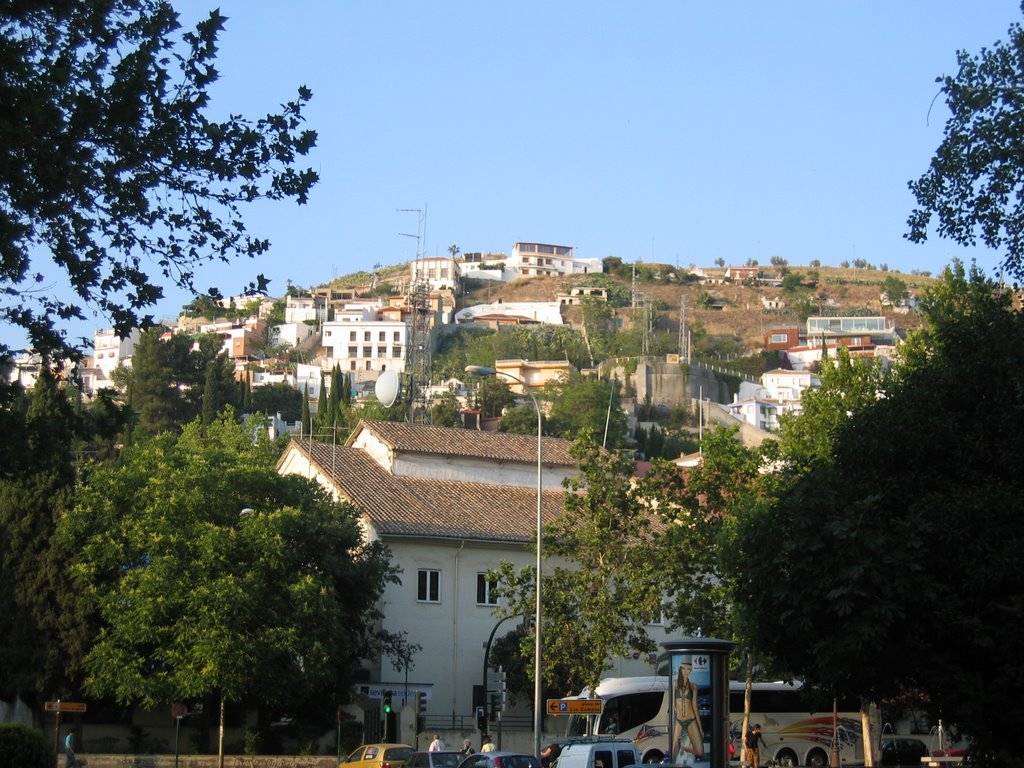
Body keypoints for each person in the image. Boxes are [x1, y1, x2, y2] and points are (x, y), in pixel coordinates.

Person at [673, 659, 704, 762]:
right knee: (672, 750)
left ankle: (684, 748)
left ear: (691, 671)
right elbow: (672, 704)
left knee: (700, 753)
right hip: (678, 720)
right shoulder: (675, 684)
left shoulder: (693, 686)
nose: (686, 671)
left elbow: (695, 707)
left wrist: (700, 728)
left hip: (691, 719)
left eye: (689, 669)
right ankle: (680, 749)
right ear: (680, 669)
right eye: (683, 668)